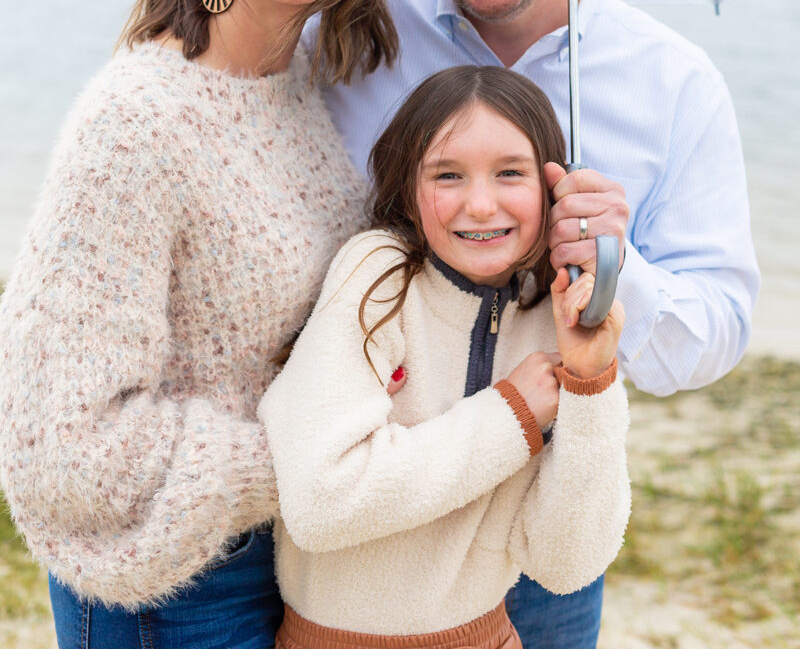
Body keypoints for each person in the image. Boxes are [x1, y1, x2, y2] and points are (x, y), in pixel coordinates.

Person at [313, 0, 759, 649]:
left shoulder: (674, 83)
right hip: (362, 522)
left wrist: (618, 271)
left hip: (544, 532)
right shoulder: (355, 32)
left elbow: (717, 333)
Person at [0, 0, 397, 649]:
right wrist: (308, 460)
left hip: (285, 559)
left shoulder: (300, 91)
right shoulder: (137, 121)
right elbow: (65, 447)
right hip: (172, 588)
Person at [261, 65, 630, 649]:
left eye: (510, 173)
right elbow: (321, 501)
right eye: (448, 175)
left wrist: (590, 382)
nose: (481, 205)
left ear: (555, 190)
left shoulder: (551, 314)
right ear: (409, 188)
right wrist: (511, 414)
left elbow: (566, 564)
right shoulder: (376, 277)